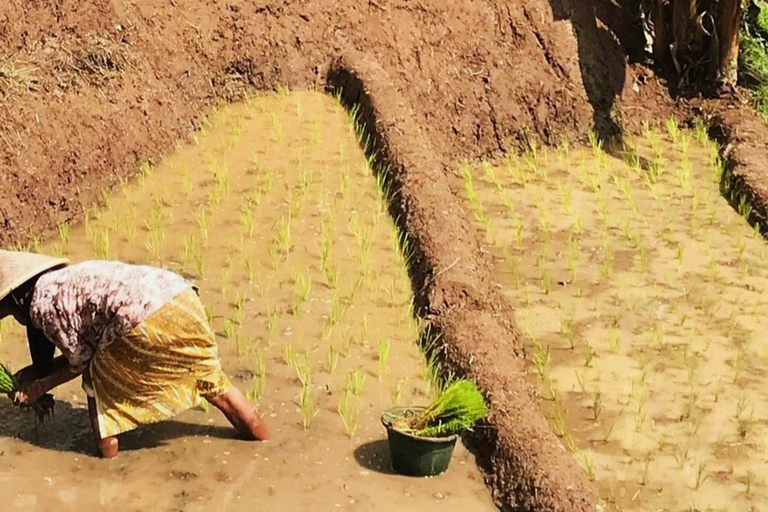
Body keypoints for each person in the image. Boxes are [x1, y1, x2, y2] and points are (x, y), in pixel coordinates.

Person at [0, 250, 270, 458]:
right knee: (215, 384)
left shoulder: (41, 305)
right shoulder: (63, 279)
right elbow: (82, 347)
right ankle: (264, 447)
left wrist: (38, 388)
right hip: (181, 299)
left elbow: (80, 362)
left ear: (14, 301)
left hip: (141, 319)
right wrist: (33, 373)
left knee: (95, 380)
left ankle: (106, 462)